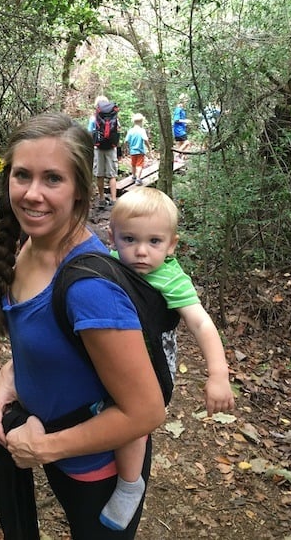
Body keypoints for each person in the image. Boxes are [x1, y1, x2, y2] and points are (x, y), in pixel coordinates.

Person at [0, 112, 166, 540]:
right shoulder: (29, 245)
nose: (32, 194)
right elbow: (48, 337)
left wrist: (43, 448)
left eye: (53, 179)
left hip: (96, 471)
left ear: (82, 190)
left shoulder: (88, 290)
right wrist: (10, 374)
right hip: (56, 450)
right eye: (22, 175)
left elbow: (146, 411)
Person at [95, 187, 234, 531]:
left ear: (171, 244)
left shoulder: (170, 277)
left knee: (133, 421)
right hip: (114, 355)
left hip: (152, 366)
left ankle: (130, 483)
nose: (141, 251)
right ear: (112, 237)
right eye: (129, 239)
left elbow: (201, 323)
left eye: (154, 242)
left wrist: (218, 374)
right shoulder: (108, 263)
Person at [88, 95, 119, 208]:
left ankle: (101, 199)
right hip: (111, 147)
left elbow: (89, 133)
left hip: (98, 148)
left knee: (99, 174)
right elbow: (117, 130)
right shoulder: (114, 117)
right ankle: (114, 199)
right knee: (112, 175)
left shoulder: (93, 118)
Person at [123, 113, 151, 185]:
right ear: (141, 122)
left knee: (133, 164)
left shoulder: (130, 131)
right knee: (139, 165)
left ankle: (134, 176)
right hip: (140, 151)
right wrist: (149, 147)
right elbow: (145, 139)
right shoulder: (142, 130)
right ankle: (138, 179)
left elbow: (126, 141)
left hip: (132, 151)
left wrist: (125, 148)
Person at [172, 94, 192, 159]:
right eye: (186, 100)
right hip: (179, 130)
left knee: (180, 144)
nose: (187, 101)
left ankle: (180, 158)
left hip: (181, 129)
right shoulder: (178, 109)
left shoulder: (181, 109)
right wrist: (185, 121)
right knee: (187, 143)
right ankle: (176, 155)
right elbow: (176, 120)